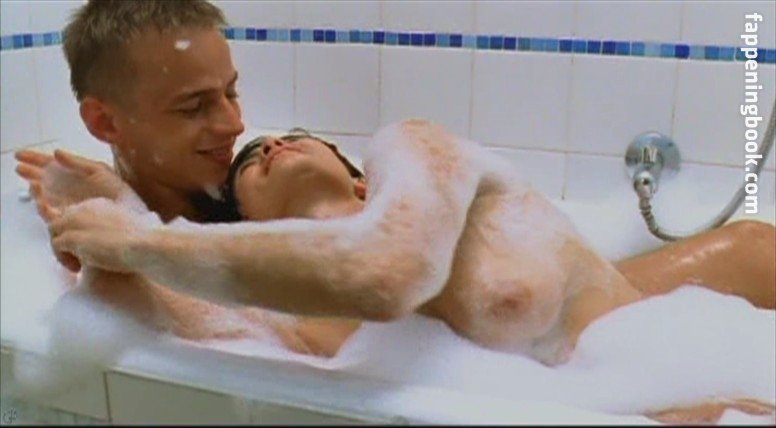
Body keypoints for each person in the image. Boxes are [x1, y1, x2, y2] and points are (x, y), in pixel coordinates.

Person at [12, 0, 775, 423]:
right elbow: (206, 321)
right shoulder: (261, 279)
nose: (241, 128)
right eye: (195, 106)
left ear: (360, 182)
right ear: (105, 121)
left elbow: (383, 269)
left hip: (666, 326)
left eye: (234, 93)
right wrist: (111, 226)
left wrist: (130, 237)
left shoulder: (405, 157)